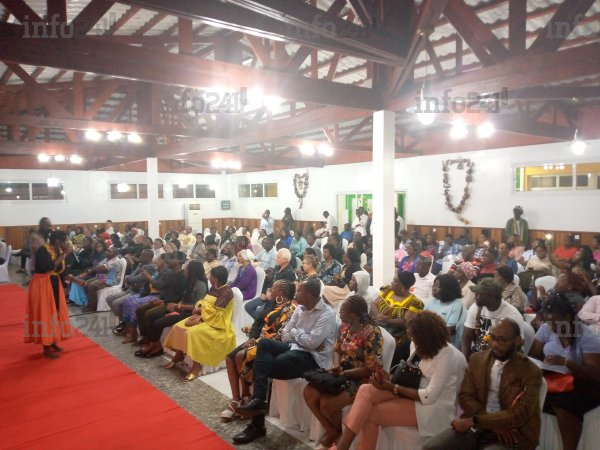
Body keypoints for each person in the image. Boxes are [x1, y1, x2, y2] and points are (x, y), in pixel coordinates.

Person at [335, 311, 467, 450]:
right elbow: (411, 375)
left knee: (370, 414)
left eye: (414, 337)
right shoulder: (416, 345)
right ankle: (344, 444)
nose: (412, 340)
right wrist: (387, 379)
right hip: (413, 391)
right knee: (365, 389)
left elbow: (429, 396)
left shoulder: (446, 355)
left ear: (426, 338)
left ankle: (345, 446)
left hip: (432, 408)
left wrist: (392, 387)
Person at [233, 279, 337, 443]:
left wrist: (295, 333)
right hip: (294, 348)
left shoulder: (326, 314)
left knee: (262, 365)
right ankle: (259, 401)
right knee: (264, 344)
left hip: (313, 358)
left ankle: (257, 422)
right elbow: (284, 334)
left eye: (299, 292)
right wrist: (299, 335)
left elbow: (311, 343)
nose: (295, 294)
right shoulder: (300, 308)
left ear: (310, 295)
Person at [424, 318, 542, 450]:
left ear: (518, 341)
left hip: (513, 432)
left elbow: (519, 414)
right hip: (477, 427)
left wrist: (477, 421)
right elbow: (465, 396)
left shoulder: (530, 371)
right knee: (432, 447)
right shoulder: (477, 360)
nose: (495, 344)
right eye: (492, 338)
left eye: (502, 340)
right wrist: (490, 424)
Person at [304, 295, 383, 449]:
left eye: (342, 311)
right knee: (309, 392)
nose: (339, 314)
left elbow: (371, 368)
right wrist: (336, 364)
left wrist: (344, 373)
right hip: (341, 373)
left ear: (353, 314)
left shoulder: (372, 333)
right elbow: (337, 349)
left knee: (327, 403)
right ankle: (331, 430)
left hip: (361, 379)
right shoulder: (346, 328)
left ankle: (340, 434)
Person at [528, 293, 600, 450]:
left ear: (567, 317)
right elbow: (533, 355)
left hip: (582, 382)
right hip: (553, 379)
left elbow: (594, 374)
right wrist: (541, 366)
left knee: (563, 402)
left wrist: (566, 363)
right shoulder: (547, 329)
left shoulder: (587, 336)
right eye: (548, 321)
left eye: (555, 322)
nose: (551, 326)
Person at [221, 280, 296, 421]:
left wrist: (258, 341)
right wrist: (252, 337)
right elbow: (258, 322)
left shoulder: (290, 309)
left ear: (281, 292)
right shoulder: (271, 303)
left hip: (271, 344)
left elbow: (281, 334)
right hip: (259, 339)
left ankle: (246, 397)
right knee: (229, 357)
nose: (270, 290)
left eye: (273, 289)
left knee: (240, 355)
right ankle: (237, 398)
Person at [163, 266, 236, 381]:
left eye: (211, 276)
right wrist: (198, 307)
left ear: (216, 279)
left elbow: (218, 313)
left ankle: (196, 366)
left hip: (218, 324)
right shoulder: (214, 288)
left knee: (193, 333)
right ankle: (179, 354)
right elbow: (205, 301)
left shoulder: (226, 292)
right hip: (204, 317)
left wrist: (201, 310)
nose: (209, 277)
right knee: (178, 326)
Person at [135, 260, 208, 357]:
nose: (184, 270)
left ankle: (156, 346)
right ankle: (154, 344)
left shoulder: (201, 285)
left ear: (192, 271)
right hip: (179, 308)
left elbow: (197, 306)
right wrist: (174, 305)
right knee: (152, 315)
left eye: (187, 269)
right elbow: (182, 298)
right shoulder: (190, 282)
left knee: (158, 322)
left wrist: (178, 306)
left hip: (188, 313)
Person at [24, 230, 73, 359]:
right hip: (42, 285)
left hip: (54, 284)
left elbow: (61, 271)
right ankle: (46, 346)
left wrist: (77, 281)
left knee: (55, 313)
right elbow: (48, 267)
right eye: (65, 241)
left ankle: (53, 341)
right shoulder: (43, 250)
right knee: (45, 314)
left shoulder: (58, 251)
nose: (67, 243)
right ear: (58, 241)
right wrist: (64, 254)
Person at [461, 278, 525, 361]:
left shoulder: (512, 315)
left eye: (479, 294)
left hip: (502, 357)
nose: (475, 296)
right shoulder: (476, 308)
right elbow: (466, 337)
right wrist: (466, 361)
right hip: (479, 354)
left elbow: (517, 346)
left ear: (491, 296)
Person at [371, 271, 424, 364]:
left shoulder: (414, 302)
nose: (391, 282)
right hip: (376, 328)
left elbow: (404, 322)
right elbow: (374, 304)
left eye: (395, 281)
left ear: (402, 286)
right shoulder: (388, 291)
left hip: (395, 336)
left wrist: (386, 320)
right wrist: (378, 315)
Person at [245, 248, 296, 320]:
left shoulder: (290, 273)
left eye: (278, 257)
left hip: (276, 300)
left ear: (285, 260)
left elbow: (284, 292)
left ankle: (263, 322)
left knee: (260, 312)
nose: (276, 259)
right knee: (248, 306)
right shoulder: (277, 267)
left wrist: (271, 294)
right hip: (267, 295)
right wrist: (263, 292)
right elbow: (267, 280)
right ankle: (262, 322)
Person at [425, 274, 466, 348]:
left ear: (447, 288)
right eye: (434, 285)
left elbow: (450, 330)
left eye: (437, 286)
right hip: (427, 340)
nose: (433, 288)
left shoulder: (457, 304)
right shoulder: (431, 302)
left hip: (446, 345)